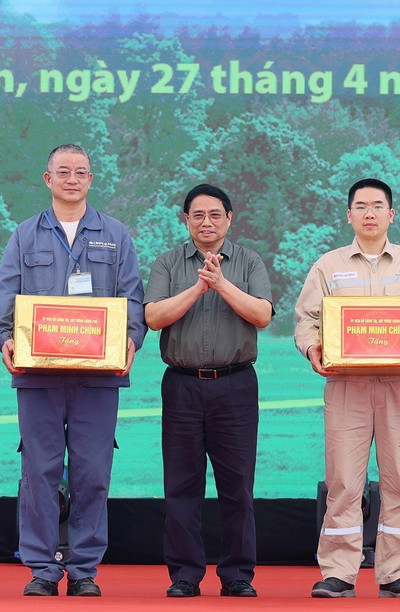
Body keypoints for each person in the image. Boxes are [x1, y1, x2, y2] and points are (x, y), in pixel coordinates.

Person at [0, 144, 146, 597]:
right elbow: (4, 295)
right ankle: (41, 569)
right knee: (39, 472)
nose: (72, 179)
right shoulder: (24, 235)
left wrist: (131, 339)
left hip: (99, 377)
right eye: (63, 172)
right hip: (37, 375)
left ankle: (83, 571)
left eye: (80, 172)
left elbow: (133, 297)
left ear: (90, 179)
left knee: (92, 473)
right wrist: (5, 338)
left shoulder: (115, 234)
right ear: (48, 179)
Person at [294, 178, 400, 599]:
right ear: (349, 215)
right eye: (361, 206)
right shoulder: (328, 266)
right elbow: (307, 320)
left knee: (399, 483)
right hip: (347, 387)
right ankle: (338, 573)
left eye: (378, 206)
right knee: (344, 483)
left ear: (391, 214)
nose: (369, 213)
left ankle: (396, 573)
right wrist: (312, 348)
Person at [144, 184, 274, 598]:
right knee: (181, 484)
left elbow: (263, 314)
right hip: (182, 385)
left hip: (236, 384)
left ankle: (237, 574)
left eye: (215, 214)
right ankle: (185, 574)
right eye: (197, 215)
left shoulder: (249, 261)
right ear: (186, 220)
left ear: (229, 218)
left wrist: (220, 284)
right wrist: (198, 288)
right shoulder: (167, 263)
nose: (206, 222)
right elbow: (153, 317)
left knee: (237, 485)